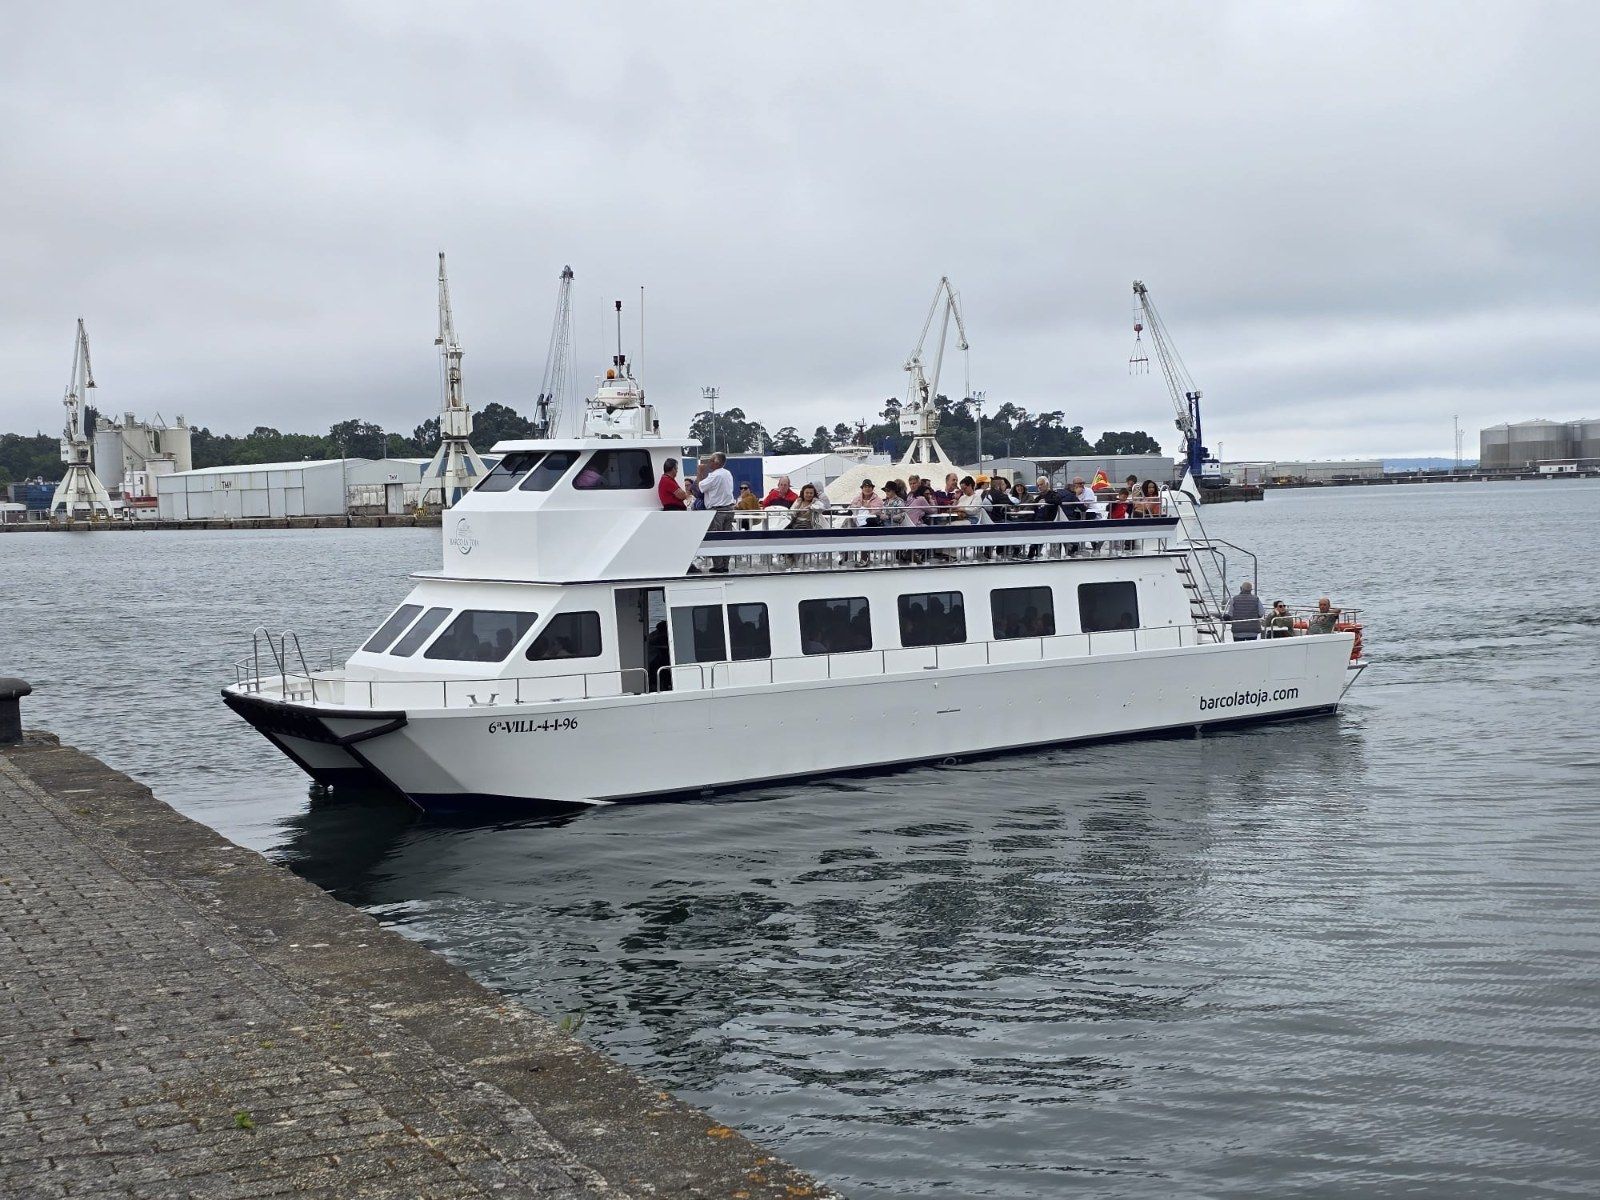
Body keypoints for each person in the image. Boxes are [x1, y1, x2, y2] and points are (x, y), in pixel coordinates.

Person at [699, 452, 736, 571]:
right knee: (726, 539)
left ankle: (718, 566)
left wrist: (700, 472)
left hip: (717, 511)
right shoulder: (728, 473)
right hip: (729, 509)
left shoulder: (715, 475)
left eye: (711, 460)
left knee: (716, 538)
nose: (709, 462)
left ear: (717, 462)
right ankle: (725, 565)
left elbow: (701, 487)